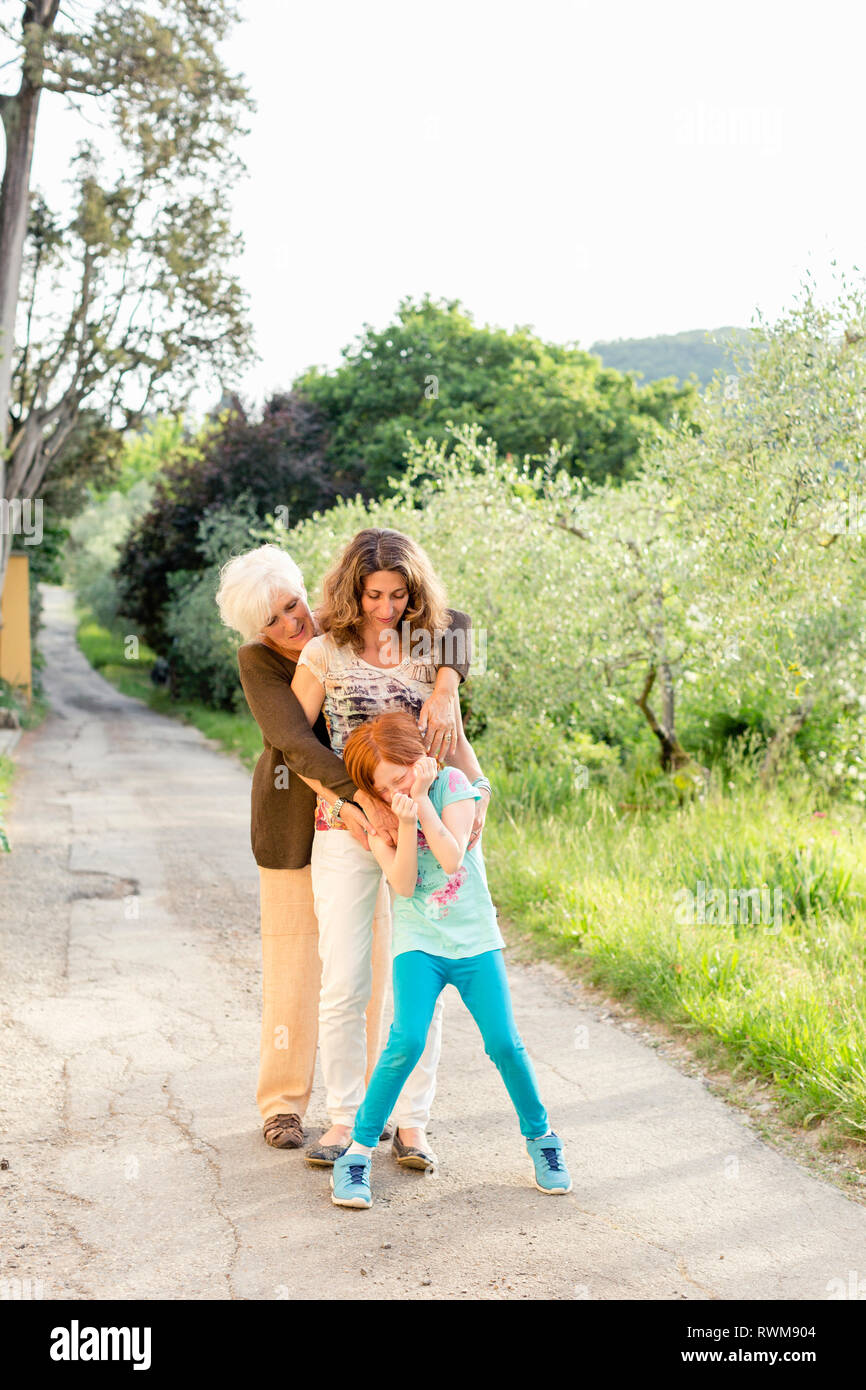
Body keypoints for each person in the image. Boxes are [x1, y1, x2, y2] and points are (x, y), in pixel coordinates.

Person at [215, 543, 467, 1151]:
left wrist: (447, 684)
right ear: (256, 629)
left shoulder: (348, 614)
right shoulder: (262, 659)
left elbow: (452, 621)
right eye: (273, 619)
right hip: (304, 818)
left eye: (293, 605)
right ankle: (283, 1106)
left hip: (386, 812)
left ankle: (381, 1109)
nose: (291, 623)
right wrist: (360, 805)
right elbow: (292, 743)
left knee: (385, 968)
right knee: (300, 968)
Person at [291, 527, 489, 1169]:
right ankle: (345, 1118)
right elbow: (298, 748)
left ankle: (411, 1122)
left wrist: (478, 791)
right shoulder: (323, 653)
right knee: (345, 977)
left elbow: (449, 740)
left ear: (413, 593)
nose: (386, 608)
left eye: (399, 595)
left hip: (426, 828)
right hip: (348, 830)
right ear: (354, 589)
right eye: (374, 594)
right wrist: (351, 804)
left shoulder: (432, 652)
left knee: (421, 982)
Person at [328, 710, 572, 1208]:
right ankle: (357, 1157)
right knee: (406, 1040)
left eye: (402, 773)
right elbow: (402, 884)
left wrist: (420, 802)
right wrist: (399, 815)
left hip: (475, 941)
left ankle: (543, 1142)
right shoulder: (380, 813)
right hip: (419, 942)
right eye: (385, 784)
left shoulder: (454, 783)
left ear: (420, 757)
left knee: (505, 1044)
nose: (396, 786)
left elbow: (452, 856)